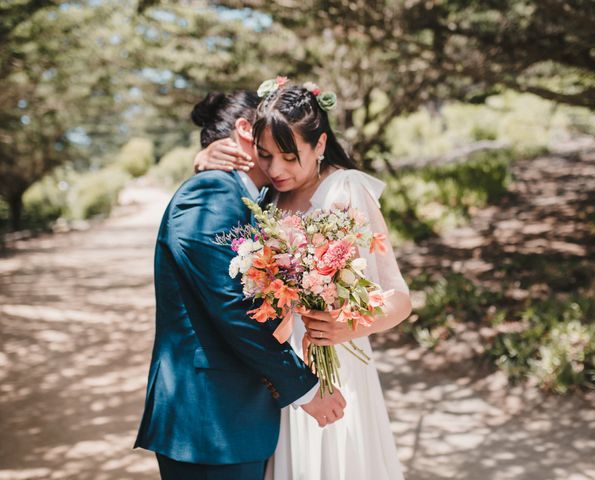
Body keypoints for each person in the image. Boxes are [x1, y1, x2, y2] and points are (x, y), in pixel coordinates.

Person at [195, 80, 412, 480]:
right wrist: (204, 157)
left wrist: (346, 326)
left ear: (321, 144)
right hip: (285, 372)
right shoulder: (268, 197)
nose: (276, 169)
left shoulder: (346, 189)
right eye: (265, 156)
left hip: (339, 364)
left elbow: (399, 296)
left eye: (290, 157)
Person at [133, 90, 346, 480]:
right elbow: (235, 309)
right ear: (247, 133)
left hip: (238, 421)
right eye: (268, 136)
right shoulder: (208, 193)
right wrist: (307, 389)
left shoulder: (257, 199)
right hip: (209, 425)